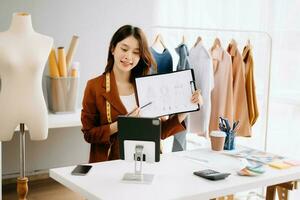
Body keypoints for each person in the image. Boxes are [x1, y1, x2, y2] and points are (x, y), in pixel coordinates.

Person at [81, 25, 203, 163]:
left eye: (136, 52)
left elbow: (160, 132)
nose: (128, 56)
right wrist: (121, 124)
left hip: (145, 163)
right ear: (113, 48)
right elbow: (89, 135)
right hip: (109, 165)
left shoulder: (147, 86)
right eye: (124, 49)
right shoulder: (95, 86)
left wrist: (187, 108)